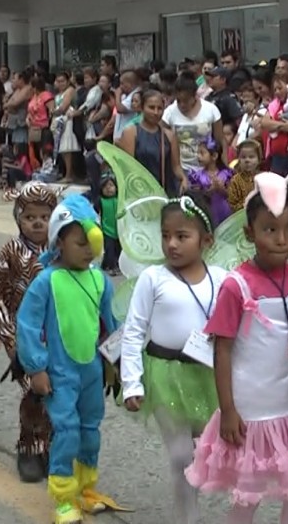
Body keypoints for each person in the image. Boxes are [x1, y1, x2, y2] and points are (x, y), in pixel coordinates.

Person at [186, 172, 288, 524]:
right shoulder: (236, 286)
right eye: (270, 230)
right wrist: (228, 410)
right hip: (250, 409)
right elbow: (221, 350)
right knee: (247, 495)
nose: (281, 239)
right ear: (249, 233)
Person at [16, 195, 122, 524]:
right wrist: (36, 368)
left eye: (93, 242)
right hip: (59, 372)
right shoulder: (46, 281)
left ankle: (86, 488)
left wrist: (115, 363)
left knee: (90, 430)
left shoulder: (100, 280)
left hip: (91, 369)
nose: (89, 250)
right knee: (68, 430)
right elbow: (28, 325)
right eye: (80, 243)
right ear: (59, 241)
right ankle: (63, 495)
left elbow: (110, 324)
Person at [121, 195, 225, 524]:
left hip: (205, 375)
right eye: (166, 235)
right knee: (181, 454)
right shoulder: (154, 278)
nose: (171, 244)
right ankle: (188, 518)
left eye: (182, 236)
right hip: (163, 374)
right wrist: (131, 382)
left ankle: (186, 506)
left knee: (199, 452)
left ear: (206, 240)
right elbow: (134, 331)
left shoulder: (222, 279)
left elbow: (238, 331)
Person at [0, 182, 58, 482]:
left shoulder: (61, 250)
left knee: (57, 393)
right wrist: (6, 335)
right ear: (19, 218)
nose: (38, 222)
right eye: (31, 217)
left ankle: (53, 448)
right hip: (23, 335)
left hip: (58, 336)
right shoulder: (11, 251)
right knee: (33, 392)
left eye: (45, 216)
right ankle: (29, 447)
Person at [188, 136, 233, 228]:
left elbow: (231, 195)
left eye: (202, 153)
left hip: (224, 210)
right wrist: (208, 191)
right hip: (207, 210)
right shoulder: (197, 176)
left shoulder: (226, 174)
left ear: (214, 156)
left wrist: (221, 189)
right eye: (197, 153)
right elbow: (197, 195)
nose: (198, 156)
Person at [227, 140, 262, 213]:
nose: (247, 160)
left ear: (259, 159)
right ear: (238, 160)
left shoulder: (263, 179)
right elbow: (232, 204)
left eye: (251, 157)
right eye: (243, 157)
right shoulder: (235, 181)